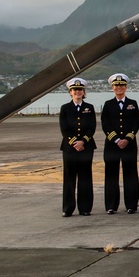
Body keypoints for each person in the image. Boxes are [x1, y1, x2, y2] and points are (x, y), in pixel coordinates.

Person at [100, 73, 139, 215]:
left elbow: (136, 124)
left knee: (130, 174)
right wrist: (117, 140)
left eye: (122, 85)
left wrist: (127, 139)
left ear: (126, 87)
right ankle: (111, 205)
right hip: (112, 145)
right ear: (112, 88)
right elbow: (105, 125)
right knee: (111, 175)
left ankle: (131, 205)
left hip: (129, 144)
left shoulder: (133, 104)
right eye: (116, 85)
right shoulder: (108, 105)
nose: (119, 88)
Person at [59, 78, 96, 217]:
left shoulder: (89, 107)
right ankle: (68, 208)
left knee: (85, 177)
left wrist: (83, 142)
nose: (77, 92)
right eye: (75, 90)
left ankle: (85, 208)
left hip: (86, 147)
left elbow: (92, 127)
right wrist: (75, 142)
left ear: (83, 92)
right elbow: (64, 128)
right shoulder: (65, 108)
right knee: (69, 178)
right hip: (70, 148)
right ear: (70, 92)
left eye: (80, 90)